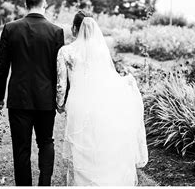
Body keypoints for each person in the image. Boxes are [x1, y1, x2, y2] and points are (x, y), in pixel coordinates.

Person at [56, 11, 148, 186]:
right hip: (100, 104)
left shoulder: (66, 51)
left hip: (77, 105)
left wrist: (60, 104)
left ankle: (84, 183)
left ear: (75, 28)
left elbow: (61, 84)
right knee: (97, 144)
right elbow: (108, 79)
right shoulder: (100, 50)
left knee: (81, 147)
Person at [0, 0, 64, 186]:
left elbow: (1, 65)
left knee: (21, 149)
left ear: (26, 4)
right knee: (46, 142)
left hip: (19, 99)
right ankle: (44, 184)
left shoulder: (10, 28)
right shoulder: (56, 32)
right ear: (44, 3)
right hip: (45, 99)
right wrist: (60, 100)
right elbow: (59, 71)